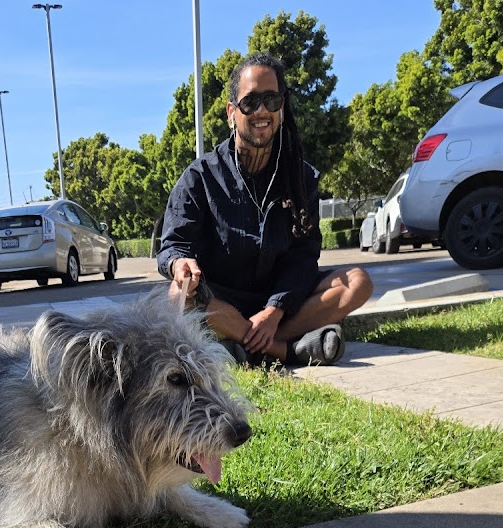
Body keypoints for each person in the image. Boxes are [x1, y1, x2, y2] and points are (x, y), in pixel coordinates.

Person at [157, 52, 373, 365]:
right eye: (250, 101)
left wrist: (274, 311)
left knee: (358, 282)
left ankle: (246, 346)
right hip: (220, 303)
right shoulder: (198, 177)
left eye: (271, 100)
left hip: (283, 305)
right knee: (180, 295)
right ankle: (288, 350)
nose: (262, 110)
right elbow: (172, 247)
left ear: (282, 108)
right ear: (231, 112)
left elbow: (303, 258)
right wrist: (180, 264)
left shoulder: (302, 178)